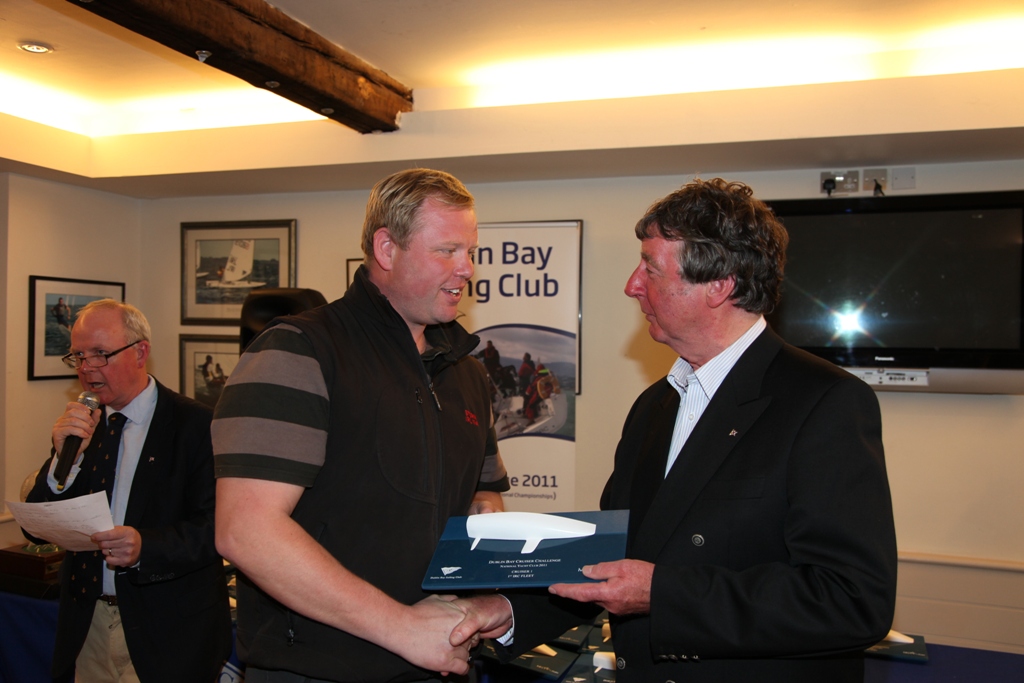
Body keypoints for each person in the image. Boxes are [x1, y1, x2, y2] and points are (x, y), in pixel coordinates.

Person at [451, 178, 898, 683]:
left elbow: (852, 600)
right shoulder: (654, 407)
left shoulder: (825, 402)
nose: (631, 285)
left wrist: (662, 595)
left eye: (650, 268)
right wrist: (507, 612)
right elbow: (608, 561)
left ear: (719, 285)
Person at [212, 168, 510, 682]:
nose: (467, 269)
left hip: (440, 658)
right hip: (318, 669)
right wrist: (402, 627)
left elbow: (484, 495)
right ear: (387, 249)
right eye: (447, 251)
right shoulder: (299, 352)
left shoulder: (467, 372)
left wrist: (484, 577)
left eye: (470, 251)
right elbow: (246, 530)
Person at [24, 299, 232, 683]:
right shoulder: (82, 425)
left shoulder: (197, 425)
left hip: (168, 632)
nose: (87, 368)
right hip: (87, 626)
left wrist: (144, 548)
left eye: (100, 354)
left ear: (140, 352)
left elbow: (219, 529)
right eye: (78, 356)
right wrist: (62, 460)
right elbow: (36, 527)